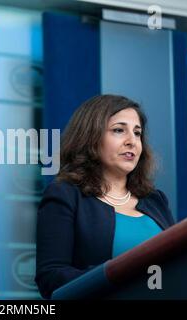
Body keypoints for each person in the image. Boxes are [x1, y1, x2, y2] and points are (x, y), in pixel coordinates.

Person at [35, 94, 175, 299]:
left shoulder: (155, 199)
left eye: (137, 133)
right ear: (90, 137)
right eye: (119, 130)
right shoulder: (65, 195)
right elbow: (51, 277)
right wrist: (118, 275)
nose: (132, 141)